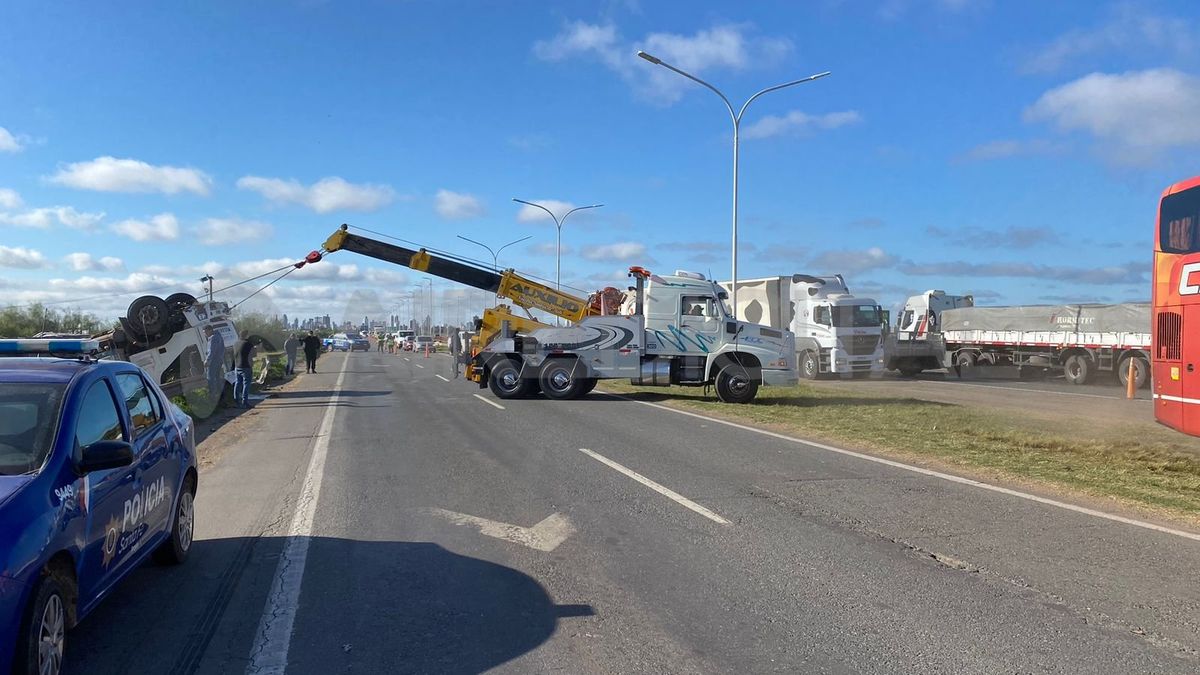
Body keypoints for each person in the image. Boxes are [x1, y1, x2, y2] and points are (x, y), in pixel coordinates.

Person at [203, 325, 226, 402]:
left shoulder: (213, 338)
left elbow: (212, 351)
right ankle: (221, 395)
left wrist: (207, 360)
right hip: (219, 360)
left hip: (213, 361)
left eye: (205, 332)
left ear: (209, 330)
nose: (205, 334)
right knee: (217, 377)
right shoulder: (218, 336)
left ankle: (212, 397)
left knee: (210, 378)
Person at [234, 335, 257, 407]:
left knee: (237, 383)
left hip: (237, 366)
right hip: (246, 366)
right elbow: (254, 355)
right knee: (246, 384)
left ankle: (236, 400)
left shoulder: (235, 343)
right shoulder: (249, 344)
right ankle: (245, 402)